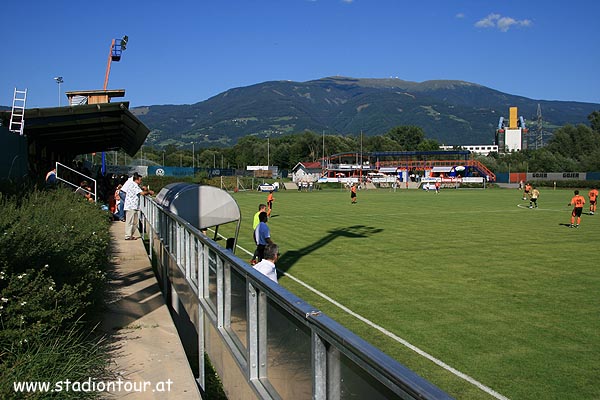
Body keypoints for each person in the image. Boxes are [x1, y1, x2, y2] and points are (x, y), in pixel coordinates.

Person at [122, 172, 154, 240]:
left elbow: (140, 191)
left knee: (135, 222)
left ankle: (130, 235)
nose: (141, 181)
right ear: (136, 180)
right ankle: (128, 236)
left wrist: (145, 190)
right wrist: (149, 192)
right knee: (129, 222)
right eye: (140, 180)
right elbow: (142, 193)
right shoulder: (133, 185)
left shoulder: (135, 185)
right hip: (131, 206)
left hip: (135, 206)